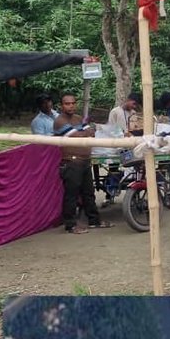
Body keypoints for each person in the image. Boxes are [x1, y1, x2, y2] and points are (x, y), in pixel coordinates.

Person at [52, 92, 110, 233]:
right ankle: (70, 225)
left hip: (84, 160)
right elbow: (78, 135)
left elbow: (91, 132)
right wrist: (85, 133)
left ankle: (94, 220)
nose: (71, 106)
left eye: (73, 103)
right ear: (61, 106)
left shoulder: (78, 118)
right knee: (71, 195)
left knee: (89, 193)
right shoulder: (59, 121)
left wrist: (85, 133)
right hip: (71, 162)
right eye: (67, 103)